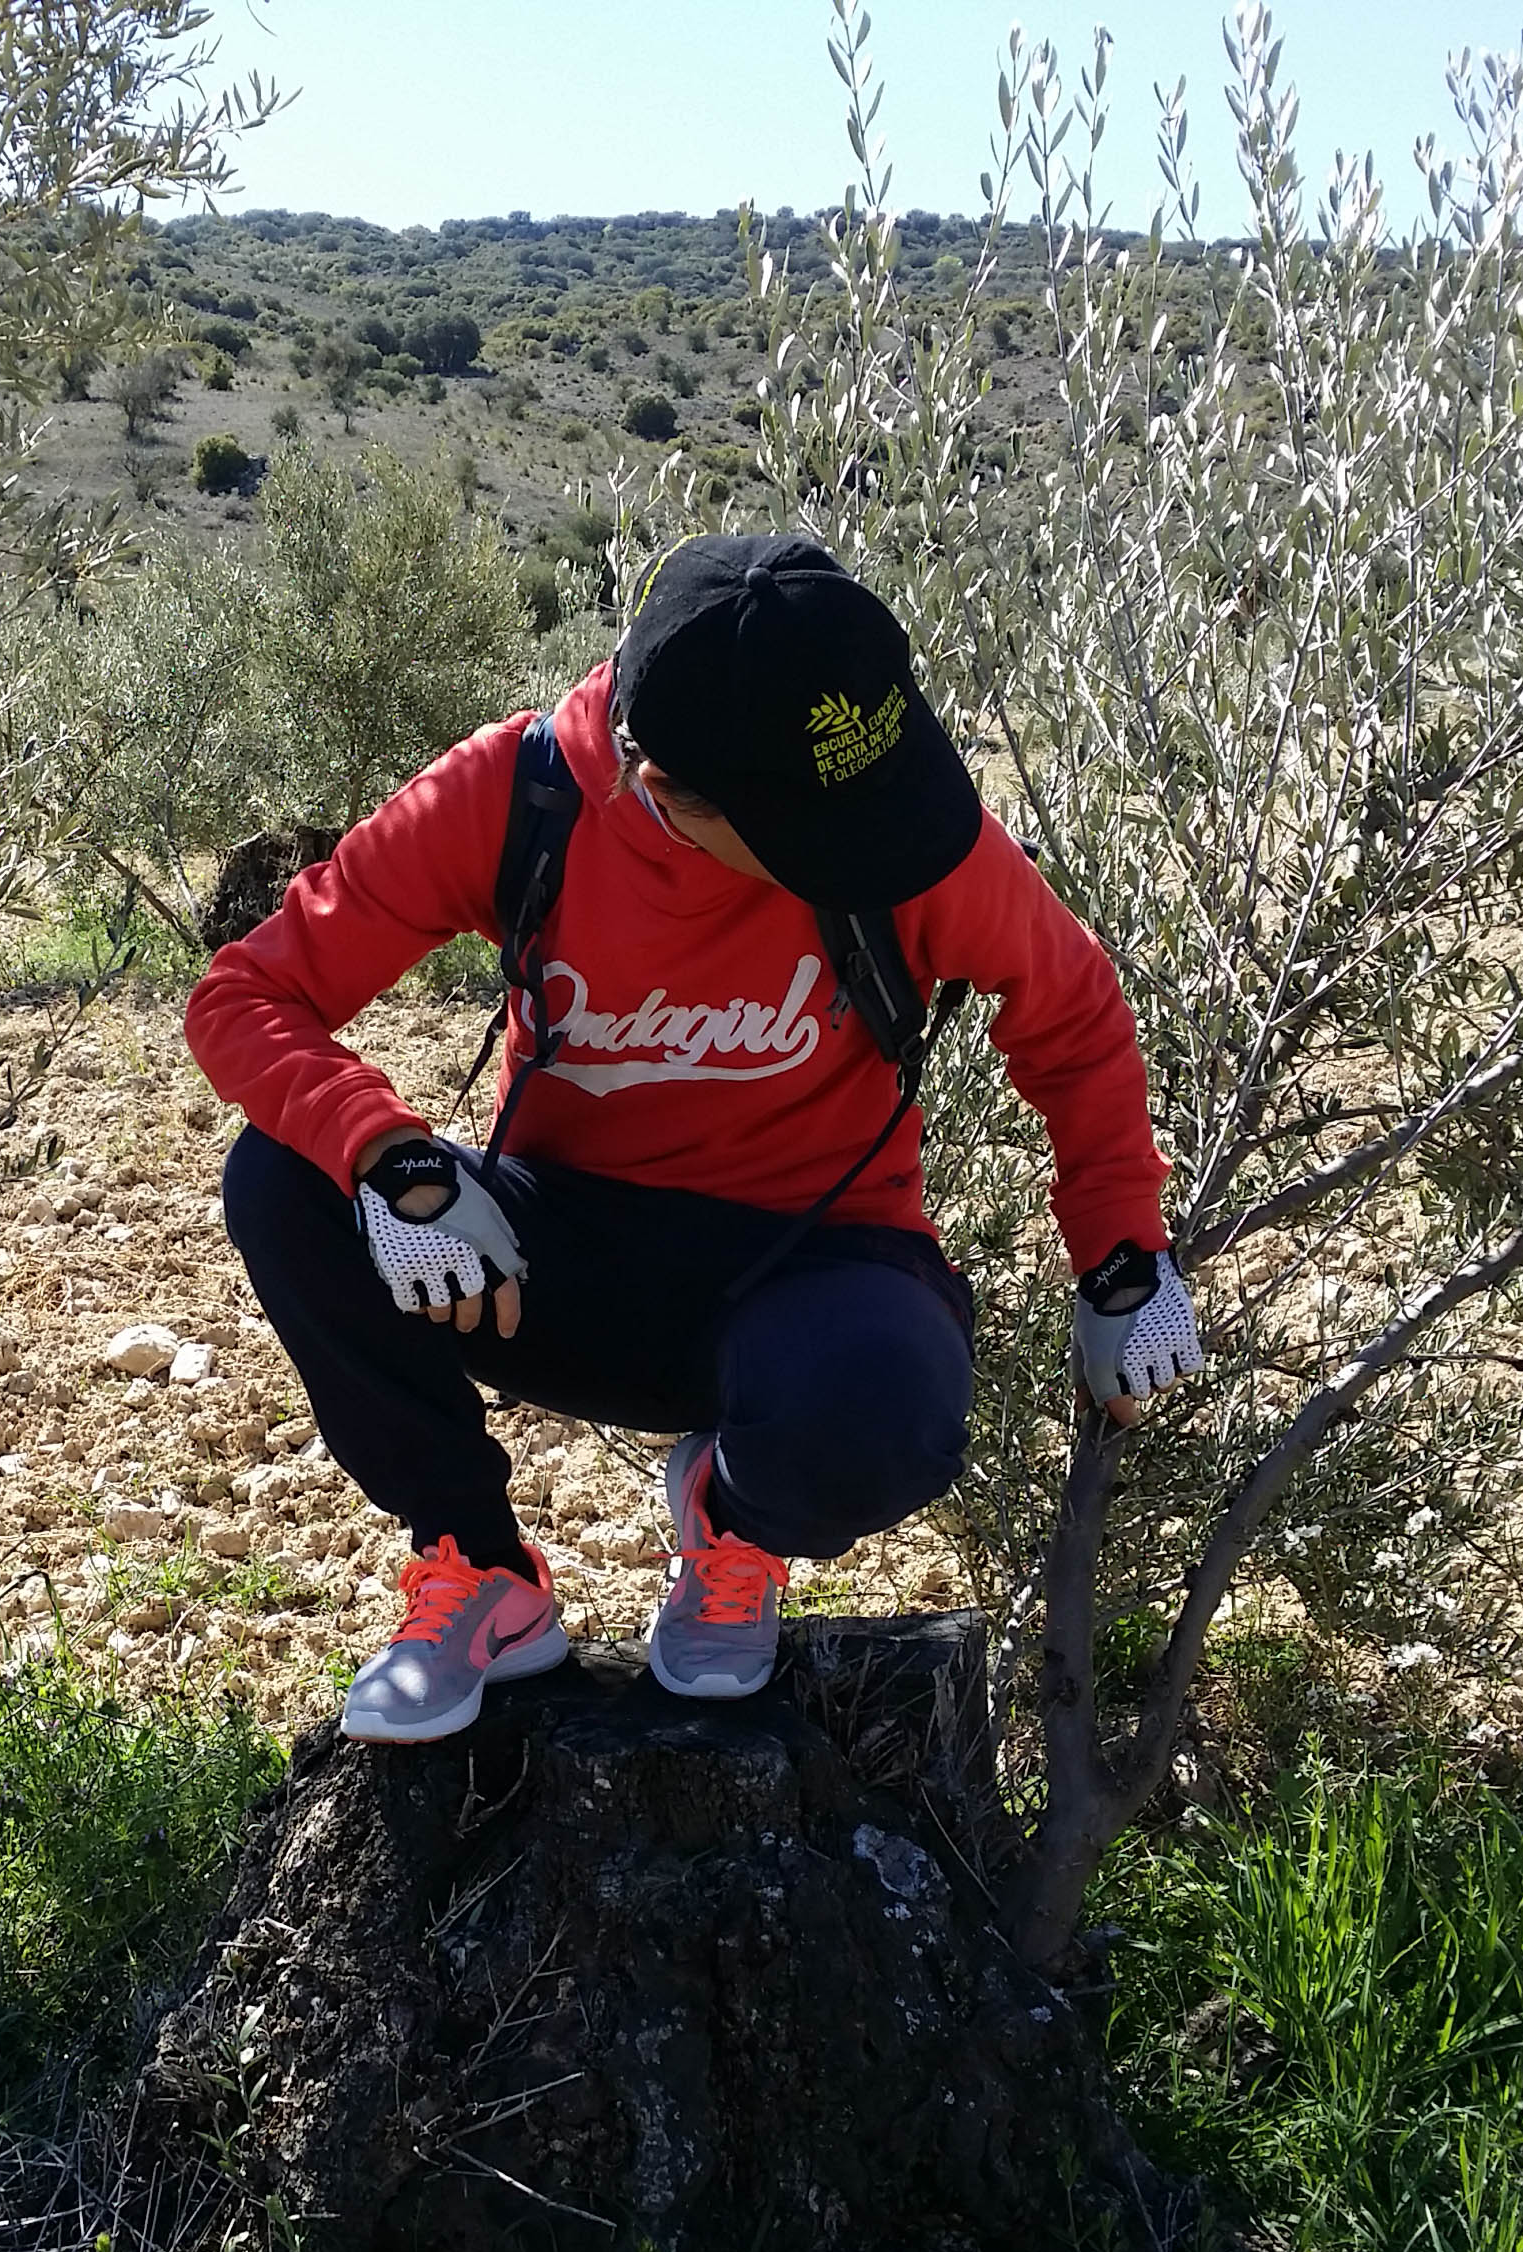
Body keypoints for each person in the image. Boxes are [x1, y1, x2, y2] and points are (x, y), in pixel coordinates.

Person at [182, 534, 1202, 1743]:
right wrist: (386, 1156)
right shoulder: (516, 800)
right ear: (668, 795)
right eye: (817, 835)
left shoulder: (879, 825)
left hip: (815, 1269)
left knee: (896, 1415)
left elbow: (1074, 1012)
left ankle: (733, 1520)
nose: (871, 848)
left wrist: (1123, 1259)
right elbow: (242, 999)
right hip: (553, 1265)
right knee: (281, 1176)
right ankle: (479, 1568)